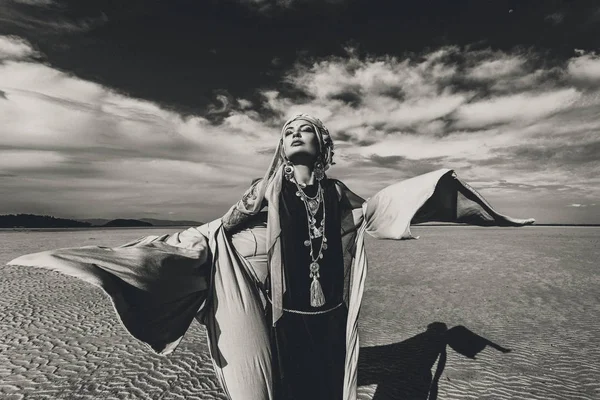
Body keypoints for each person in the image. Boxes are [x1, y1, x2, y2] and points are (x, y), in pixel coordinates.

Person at [8, 114, 535, 400]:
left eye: (304, 129)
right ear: (279, 149)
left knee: (326, 392)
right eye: (286, 131)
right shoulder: (264, 188)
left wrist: (419, 208)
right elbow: (226, 229)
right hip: (280, 314)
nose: (293, 134)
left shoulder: (338, 190)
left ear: (323, 145)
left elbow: (371, 212)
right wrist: (246, 207)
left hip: (327, 317)